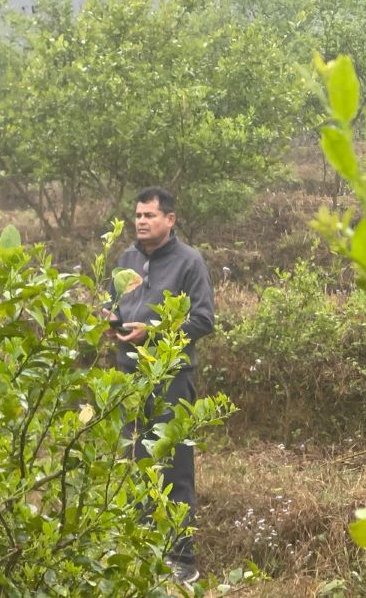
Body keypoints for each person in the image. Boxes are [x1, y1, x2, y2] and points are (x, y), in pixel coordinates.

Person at [108, 186, 214, 585]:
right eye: (138, 215)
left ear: (170, 219)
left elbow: (203, 319)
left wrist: (152, 331)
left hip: (171, 379)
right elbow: (114, 304)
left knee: (173, 467)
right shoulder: (127, 260)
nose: (141, 221)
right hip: (130, 378)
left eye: (149, 215)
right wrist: (110, 319)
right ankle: (142, 551)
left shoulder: (189, 262)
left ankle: (183, 560)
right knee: (135, 463)